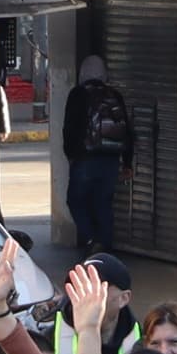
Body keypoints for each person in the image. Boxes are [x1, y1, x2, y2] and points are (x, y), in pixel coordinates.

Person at [64, 55, 136, 262]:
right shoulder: (114, 95)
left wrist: (71, 155)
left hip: (85, 159)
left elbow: (70, 128)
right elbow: (128, 131)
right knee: (103, 203)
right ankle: (105, 249)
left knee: (76, 200)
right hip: (111, 160)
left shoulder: (78, 94)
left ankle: (91, 239)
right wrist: (128, 162)